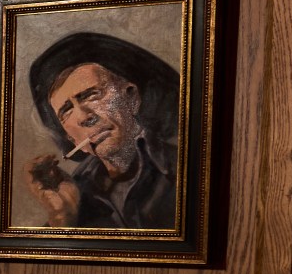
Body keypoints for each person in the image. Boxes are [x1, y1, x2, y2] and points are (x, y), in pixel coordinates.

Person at [23, 31, 178, 228]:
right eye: (67, 110)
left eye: (91, 95)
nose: (84, 117)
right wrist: (62, 217)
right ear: (70, 137)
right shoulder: (75, 197)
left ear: (131, 97)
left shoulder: (185, 168)